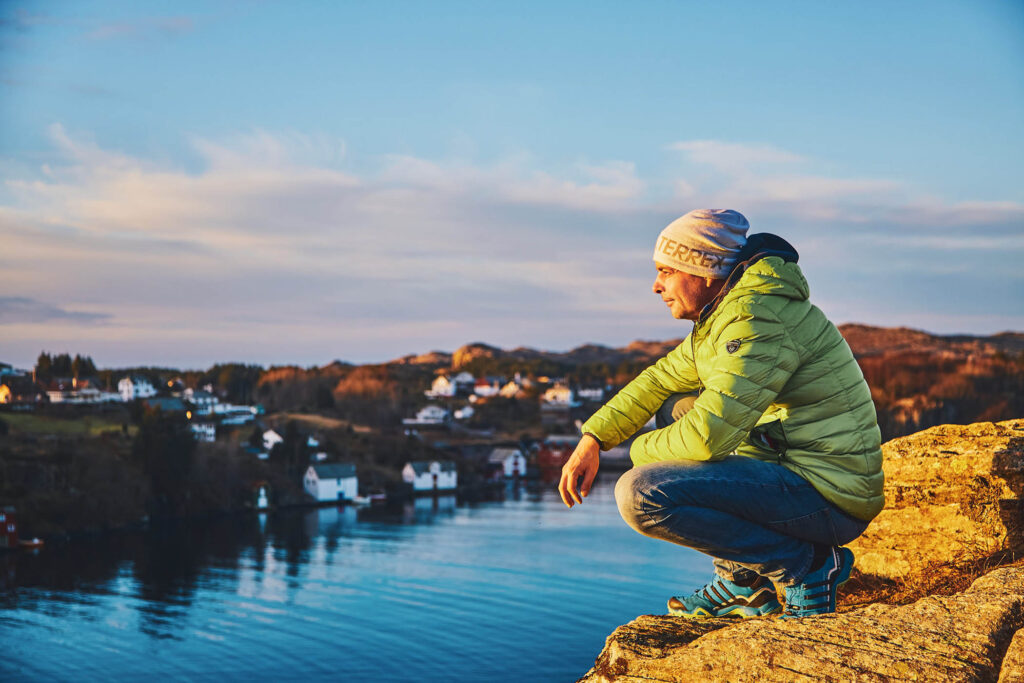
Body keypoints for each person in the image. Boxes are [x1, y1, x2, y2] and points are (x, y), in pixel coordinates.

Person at [558, 209, 883, 619]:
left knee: (641, 494)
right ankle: (742, 583)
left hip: (828, 497)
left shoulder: (754, 319)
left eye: (666, 271)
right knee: (675, 408)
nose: (656, 286)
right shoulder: (725, 316)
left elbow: (706, 437)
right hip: (797, 474)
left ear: (704, 271)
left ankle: (809, 568)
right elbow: (658, 379)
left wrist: (634, 451)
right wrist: (594, 439)